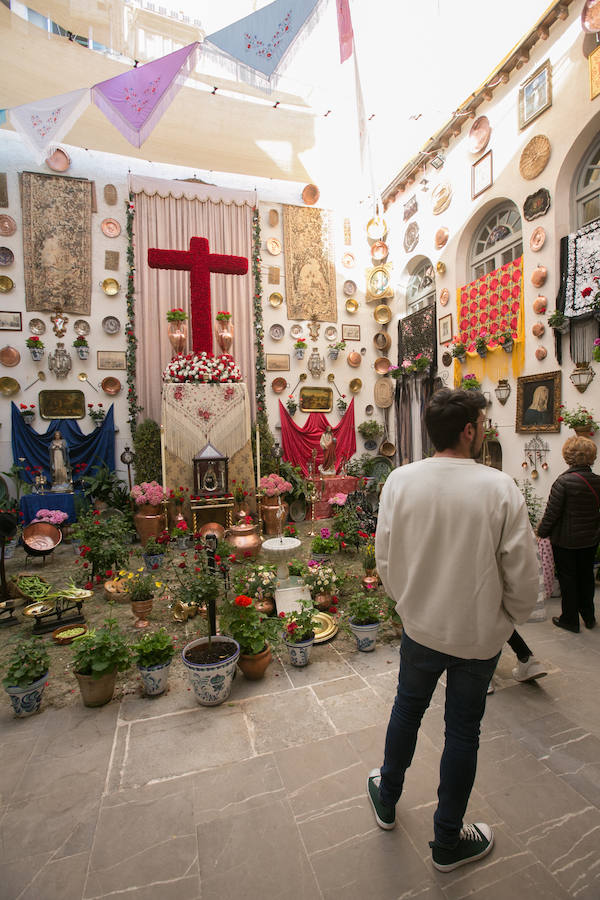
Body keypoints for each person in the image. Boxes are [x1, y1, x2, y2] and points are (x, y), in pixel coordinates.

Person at [370, 388, 539, 872]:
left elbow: (386, 557)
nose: (483, 429)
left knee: (407, 709)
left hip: (421, 629)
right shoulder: (498, 487)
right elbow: (522, 573)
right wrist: (510, 617)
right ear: (469, 430)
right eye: (482, 422)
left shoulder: (401, 481)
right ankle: (447, 842)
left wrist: (409, 604)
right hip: (478, 635)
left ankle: (388, 797)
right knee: (462, 730)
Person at [537, 436, 600, 632]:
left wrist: (541, 532)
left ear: (568, 456)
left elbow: (552, 514)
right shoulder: (597, 481)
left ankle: (570, 619)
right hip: (590, 540)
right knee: (587, 577)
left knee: (568, 579)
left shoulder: (563, 482)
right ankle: (589, 617)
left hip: (566, 541)